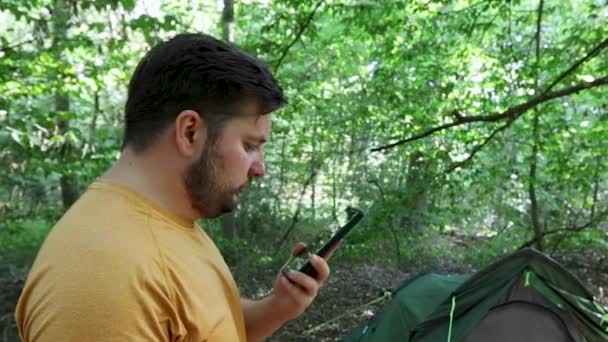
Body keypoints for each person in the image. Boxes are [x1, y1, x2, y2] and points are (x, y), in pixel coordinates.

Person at [15, 33, 331, 341]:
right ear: (190, 132)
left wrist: (278, 307)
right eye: (249, 145)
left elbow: (209, 327)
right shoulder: (106, 277)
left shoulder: (171, 221)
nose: (260, 168)